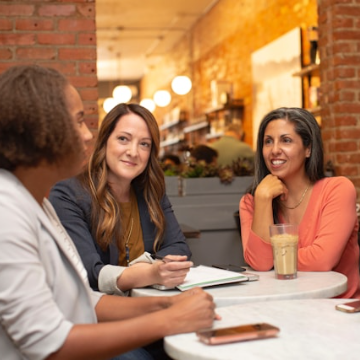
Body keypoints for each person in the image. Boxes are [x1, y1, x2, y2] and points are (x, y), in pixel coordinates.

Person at [0, 64, 218, 360]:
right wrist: (168, 319)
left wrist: (165, 306)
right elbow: (47, 344)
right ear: (41, 131)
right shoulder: (7, 213)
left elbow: (85, 300)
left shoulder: (39, 203)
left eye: (144, 144)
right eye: (78, 123)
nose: (88, 136)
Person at [49, 103, 192, 296]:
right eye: (123, 139)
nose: (133, 152)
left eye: (144, 144)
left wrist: (147, 270)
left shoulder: (152, 191)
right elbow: (88, 272)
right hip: (98, 314)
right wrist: (150, 273)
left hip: (149, 305)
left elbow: (179, 248)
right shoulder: (68, 195)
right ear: (105, 141)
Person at [239, 107, 360, 299]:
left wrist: (274, 259)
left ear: (308, 149)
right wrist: (262, 199)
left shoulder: (337, 190)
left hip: (338, 311)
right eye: (268, 141)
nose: (275, 150)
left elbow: (322, 260)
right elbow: (261, 264)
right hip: (285, 308)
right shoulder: (252, 202)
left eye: (286, 140)